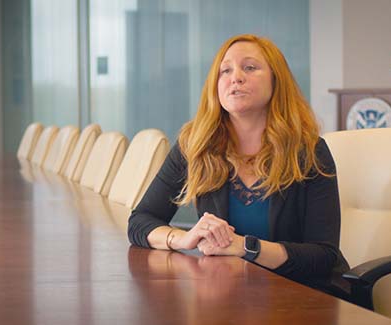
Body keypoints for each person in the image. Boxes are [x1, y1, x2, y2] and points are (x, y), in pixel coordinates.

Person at [128, 34, 349, 285]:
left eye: (250, 67)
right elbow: (140, 221)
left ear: (277, 82)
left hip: (301, 296)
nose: (236, 77)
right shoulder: (196, 145)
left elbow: (323, 256)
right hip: (230, 293)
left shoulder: (309, 151)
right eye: (225, 71)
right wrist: (182, 239)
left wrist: (246, 247)